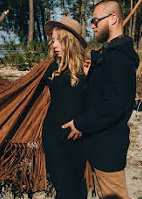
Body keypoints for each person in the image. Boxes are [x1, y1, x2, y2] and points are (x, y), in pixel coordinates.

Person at [62, 0, 139, 199]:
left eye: (96, 20)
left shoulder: (119, 58)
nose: (92, 26)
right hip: (100, 145)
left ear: (113, 19)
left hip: (108, 147)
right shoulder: (110, 55)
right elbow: (102, 95)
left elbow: (113, 106)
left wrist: (80, 124)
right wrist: (91, 76)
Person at [42, 16, 88, 199]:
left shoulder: (87, 68)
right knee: (64, 190)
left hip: (79, 138)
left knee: (78, 187)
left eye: (59, 40)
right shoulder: (51, 69)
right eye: (53, 41)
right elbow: (20, 88)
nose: (54, 45)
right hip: (55, 139)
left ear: (70, 41)